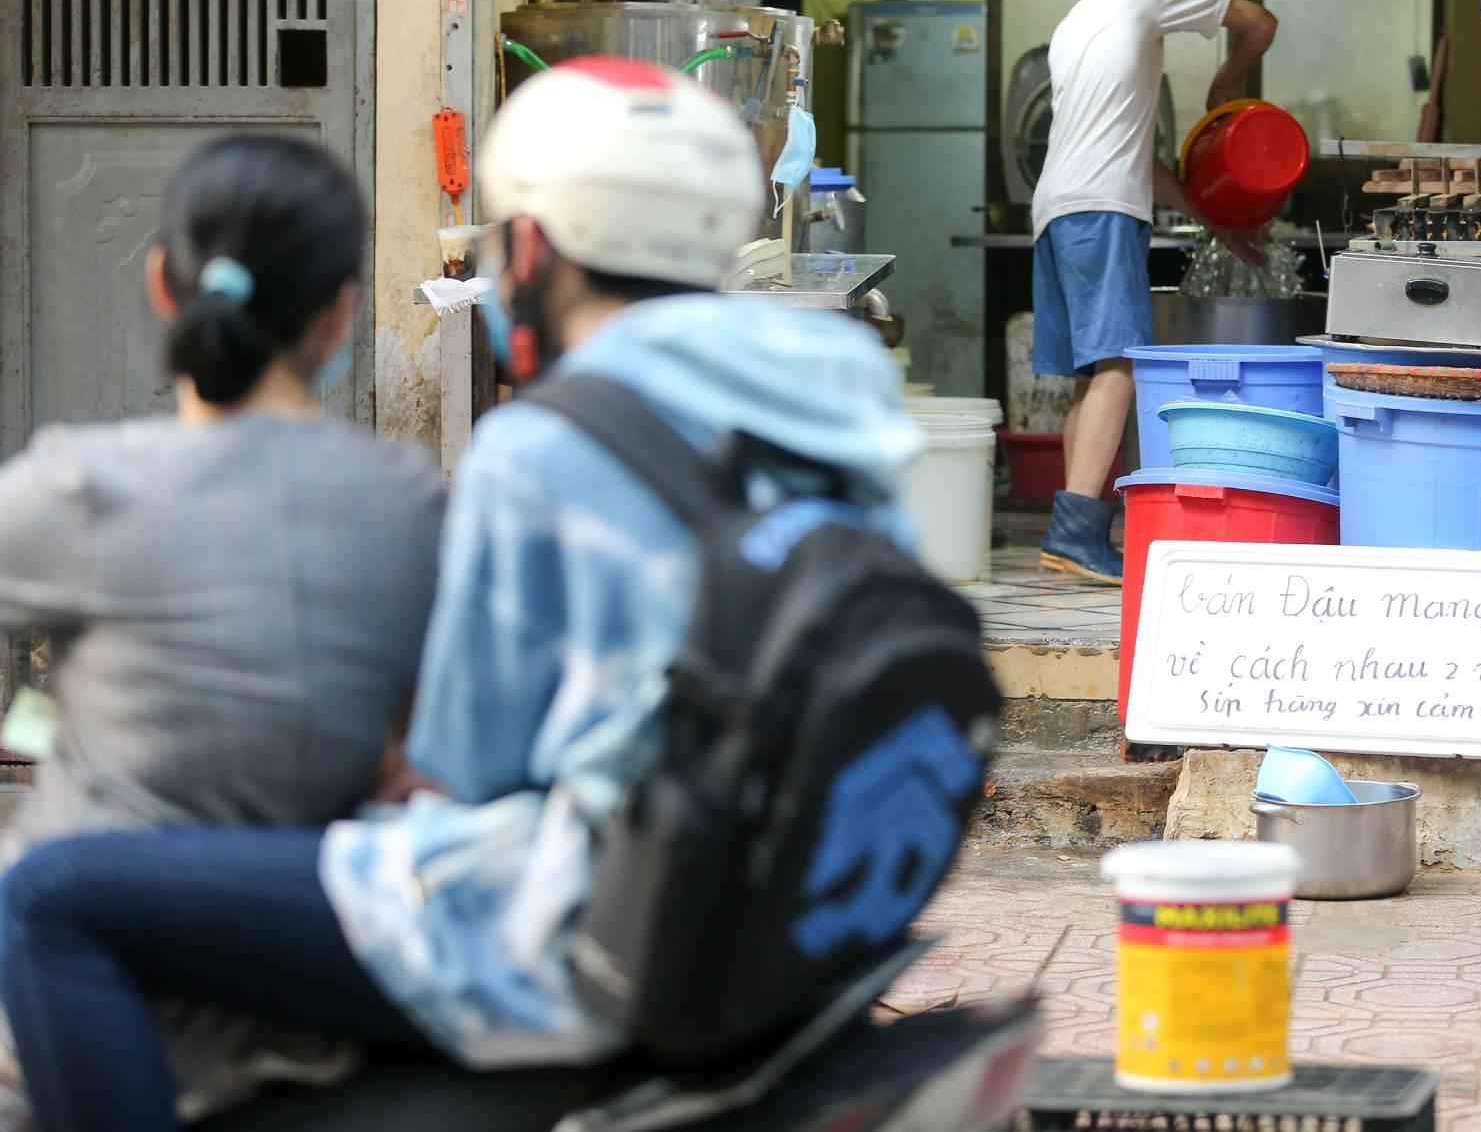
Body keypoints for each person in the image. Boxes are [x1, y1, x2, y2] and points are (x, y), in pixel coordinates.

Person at [0, 59, 924, 1132]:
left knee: (50, 896)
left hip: (563, 919)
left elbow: (460, 767)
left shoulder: (538, 446)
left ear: (529, 249)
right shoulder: (845, 407)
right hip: (780, 896)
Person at [0, 135, 445, 1124]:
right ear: (340, 312)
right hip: (302, 993)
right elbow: (412, 745)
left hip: (91, 1014)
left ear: (164, 284)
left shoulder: (83, 484)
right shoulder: (410, 498)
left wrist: (36, 727)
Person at [1031, 0, 1279, 583]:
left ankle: (1067, 535)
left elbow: (1137, 159)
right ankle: (1078, 532)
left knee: (1091, 375)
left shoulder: (1069, 27)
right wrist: (1229, 83)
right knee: (1119, 368)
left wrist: (1214, 219)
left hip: (1056, 210)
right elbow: (1261, 22)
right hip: (1102, 209)